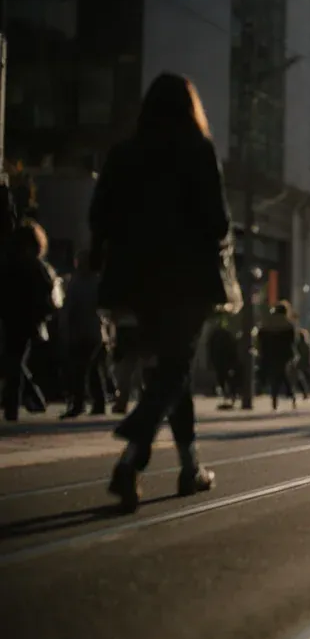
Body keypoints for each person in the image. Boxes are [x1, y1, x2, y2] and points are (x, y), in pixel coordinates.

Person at [90, 73, 242, 510]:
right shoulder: (198, 151)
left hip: (135, 281)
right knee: (175, 369)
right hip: (186, 281)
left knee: (168, 372)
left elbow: (98, 214)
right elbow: (217, 222)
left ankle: (189, 466)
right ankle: (134, 447)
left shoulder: (124, 153)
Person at [1, 220, 61, 421]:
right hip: (27, 320)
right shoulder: (38, 266)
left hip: (13, 318)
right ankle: (25, 400)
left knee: (13, 361)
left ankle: (18, 402)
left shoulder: (12, 263)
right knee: (15, 362)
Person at [61, 250, 107, 417]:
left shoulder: (78, 282)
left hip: (83, 330)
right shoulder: (96, 281)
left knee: (79, 369)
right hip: (93, 330)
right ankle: (98, 403)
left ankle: (79, 403)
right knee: (92, 368)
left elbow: (70, 306)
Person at [256, 303, 298, 411]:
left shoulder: (267, 322)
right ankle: (291, 395)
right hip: (283, 354)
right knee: (282, 374)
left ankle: (274, 396)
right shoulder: (288, 324)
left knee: (273, 375)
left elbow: (260, 337)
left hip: (269, 353)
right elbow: (292, 341)